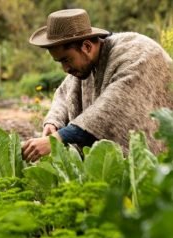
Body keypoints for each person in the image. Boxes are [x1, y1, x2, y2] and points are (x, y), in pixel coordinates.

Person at [22, 8, 173, 162]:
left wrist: (57, 138)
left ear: (86, 47)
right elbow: (64, 93)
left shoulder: (138, 54)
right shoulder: (87, 62)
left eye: (66, 60)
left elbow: (113, 108)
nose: (65, 69)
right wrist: (53, 122)